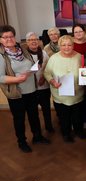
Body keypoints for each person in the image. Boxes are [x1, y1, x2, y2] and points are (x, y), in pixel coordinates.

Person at [0, 25, 50, 153]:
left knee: (34, 116)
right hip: (17, 94)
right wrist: (17, 80)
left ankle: (37, 137)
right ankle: (22, 142)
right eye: (5, 37)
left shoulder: (22, 49)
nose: (9, 39)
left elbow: (28, 64)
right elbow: (0, 77)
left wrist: (33, 69)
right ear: (0, 39)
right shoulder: (2, 55)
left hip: (32, 90)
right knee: (19, 119)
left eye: (11, 36)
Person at [44, 35, 85, 143]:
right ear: (59, 46)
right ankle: (66, 133)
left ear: (73, 45)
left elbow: (84, 73)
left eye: (69, 45)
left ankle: (78, 131)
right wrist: (52, 82)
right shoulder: (54, 58)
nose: (66, 47)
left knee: (77, 116)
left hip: (77, 94)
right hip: (60, 94)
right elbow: (47, 73)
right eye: (63, 45)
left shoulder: (79, 57)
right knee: (64, 117)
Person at [26, 32, 54, 133]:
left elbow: (48, 66)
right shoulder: (24, 55)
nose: (34, 41)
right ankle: (37, 132)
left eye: (35, 39)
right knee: (33, 112)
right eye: (31, 40)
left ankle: (49, 126)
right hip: (31, 88)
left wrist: (43, 77)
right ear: (27, 42)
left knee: (46, 109)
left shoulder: (44, 53)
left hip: (44, 87)